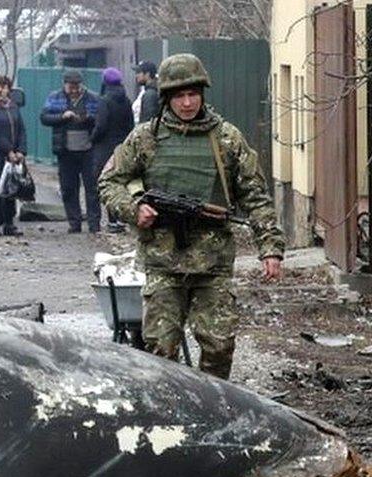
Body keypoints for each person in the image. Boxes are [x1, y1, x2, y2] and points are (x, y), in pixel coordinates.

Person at [98, 53, 285, 380]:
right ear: (167, 98)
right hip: (162, 263)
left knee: (219, 346)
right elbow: (109, 181)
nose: (187, 103)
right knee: (161, 350)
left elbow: (255, 196)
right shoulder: (146, 138)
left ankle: (213, 409)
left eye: (193, 94)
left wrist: (270, 248)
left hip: (212, 265)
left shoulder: (226, 138)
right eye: (179, 96)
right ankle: (171, 416)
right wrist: (133, 209)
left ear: (203, 93)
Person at [40, 70, 101, 233]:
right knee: (68, 188)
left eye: (77, 87)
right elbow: (44, 117)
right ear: (64, 85)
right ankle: (74, 223)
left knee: (92, 188)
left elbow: (101, 119)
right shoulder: (55, 98)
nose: (74, 90)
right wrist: (62, 116)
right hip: (65, 150)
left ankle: (94, 223)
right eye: (71, 87)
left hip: (88, 150)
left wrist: (89, 118)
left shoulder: (93, 98)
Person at [0, 75, 27, 237]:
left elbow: (21, 129)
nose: (1, 90)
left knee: (11, 190)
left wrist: (21, 150)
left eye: (5, 86)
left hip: (14, 156)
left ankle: (9, 223)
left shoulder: (13, 107)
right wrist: (8, 150)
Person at [91, 67, 134, 233]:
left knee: (106, 182)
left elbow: (101, 125)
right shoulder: (127, 100)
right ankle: (121, 218)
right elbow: (130, 125)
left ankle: (112, 220)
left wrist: (92, 138)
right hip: (122, 146)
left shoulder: (105, 100)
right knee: (121, 181)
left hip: (105, 148)